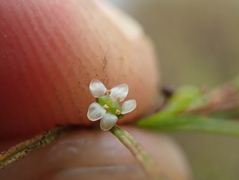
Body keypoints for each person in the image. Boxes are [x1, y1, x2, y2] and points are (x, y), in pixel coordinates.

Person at [0, 0, 191, 179]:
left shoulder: (113, 108)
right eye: (108, 103)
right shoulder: (101, 104)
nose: (109, 103)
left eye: (111, 105)